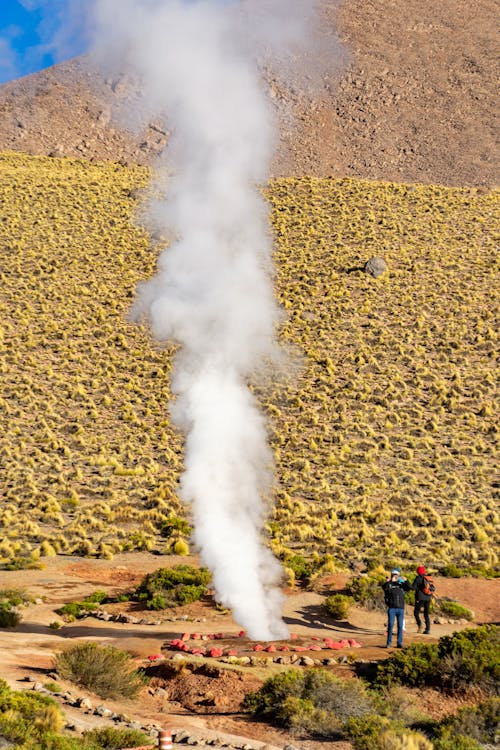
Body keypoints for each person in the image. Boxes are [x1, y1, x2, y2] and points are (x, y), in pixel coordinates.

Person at [382, 567, 411, 648]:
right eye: (394, 575)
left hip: (400, 608)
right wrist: (389, 581)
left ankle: (399, 643)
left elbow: (410, 588)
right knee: (390, 625)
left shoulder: (401, 584)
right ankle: (389, 643)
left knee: (400, 626)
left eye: (397, 575)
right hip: (392, 608)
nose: (395, 576)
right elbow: (384, 588)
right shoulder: (389, 584)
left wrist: (406, 580)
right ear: (391, 575)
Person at [411, 565, 432, 634]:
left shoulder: (418, 578)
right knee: (426, 613)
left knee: (416, 613)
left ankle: (420, 624)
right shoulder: (427, 578)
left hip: (420, 598)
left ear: (418, 571)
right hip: (428, 598)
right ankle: (428, 629)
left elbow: (413, 588)